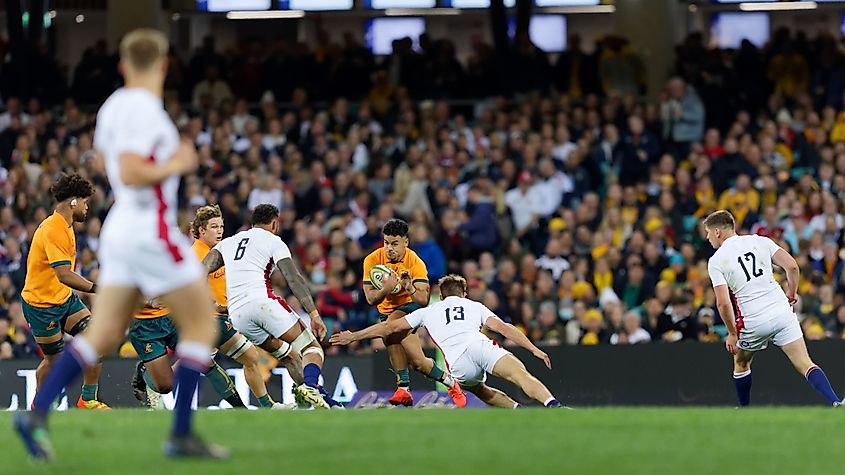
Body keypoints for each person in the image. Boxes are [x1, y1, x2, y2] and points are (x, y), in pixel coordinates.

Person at [15, 29, 228, 460]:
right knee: (203, 324)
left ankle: (35, 417)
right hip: (149, 228)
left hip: (124, 229)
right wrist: (178, 162)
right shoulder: (144, 110)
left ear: (123, 65)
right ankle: (182, 433)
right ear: (165, 65)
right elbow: (130, 172)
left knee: (105, 332)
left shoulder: (113, 107)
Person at [331, 274, 562, 408]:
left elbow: (388, 327)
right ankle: (553, 405)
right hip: (479, 346)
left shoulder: (429, 310)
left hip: (458, 364)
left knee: (479, 389)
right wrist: (533, 349)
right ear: (464, 294)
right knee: (521, 376)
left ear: (440, 296)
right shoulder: (474, 306)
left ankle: (517, 410)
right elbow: (504, 328)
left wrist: (355, 336)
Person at [201, 204, 334, 409]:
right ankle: (311, 390)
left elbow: (199, 271)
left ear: (252, 223)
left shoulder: (227, 243)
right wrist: (314, 314)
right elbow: (293, 278)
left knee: (289, 355)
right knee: (311, 348)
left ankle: (315, 403)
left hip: (237, 315)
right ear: (274, 223)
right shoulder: (274, 240)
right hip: (262, 304)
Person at [703, 210, 841, 407]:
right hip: (781, 311)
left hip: (753, 320)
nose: (708, 238)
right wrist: (792, 293)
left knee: (741, 363)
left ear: (717, 232)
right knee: (805, 363)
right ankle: (835, 401)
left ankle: (744, 410)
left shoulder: (716, 260)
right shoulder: (760, 241)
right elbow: (792, 266)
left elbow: (723, 303)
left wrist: (732, 333)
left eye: (708, 233)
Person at [19, 173, 109, 409]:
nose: (87, 207)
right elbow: (64, 275)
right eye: (85, 201)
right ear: (73, 202)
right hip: (41, 306)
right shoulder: (54, 229)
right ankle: (39, 406)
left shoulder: (65, 224)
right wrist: (96, 289)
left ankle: (88, 400)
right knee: (54, 361)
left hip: (63, 299)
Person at [362, 218, 465, 407]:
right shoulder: (372, 260)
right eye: (386, 243)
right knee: (418, 362)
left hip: (410, 309)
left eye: (394, 243)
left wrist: (408, 288)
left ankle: (403, 387)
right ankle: (450, 382)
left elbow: (423, 300)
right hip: (386, 311)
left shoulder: (415, 262)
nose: (389, 248)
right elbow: (370, 299)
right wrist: (387, 289)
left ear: (405, 242)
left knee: (391, 327)